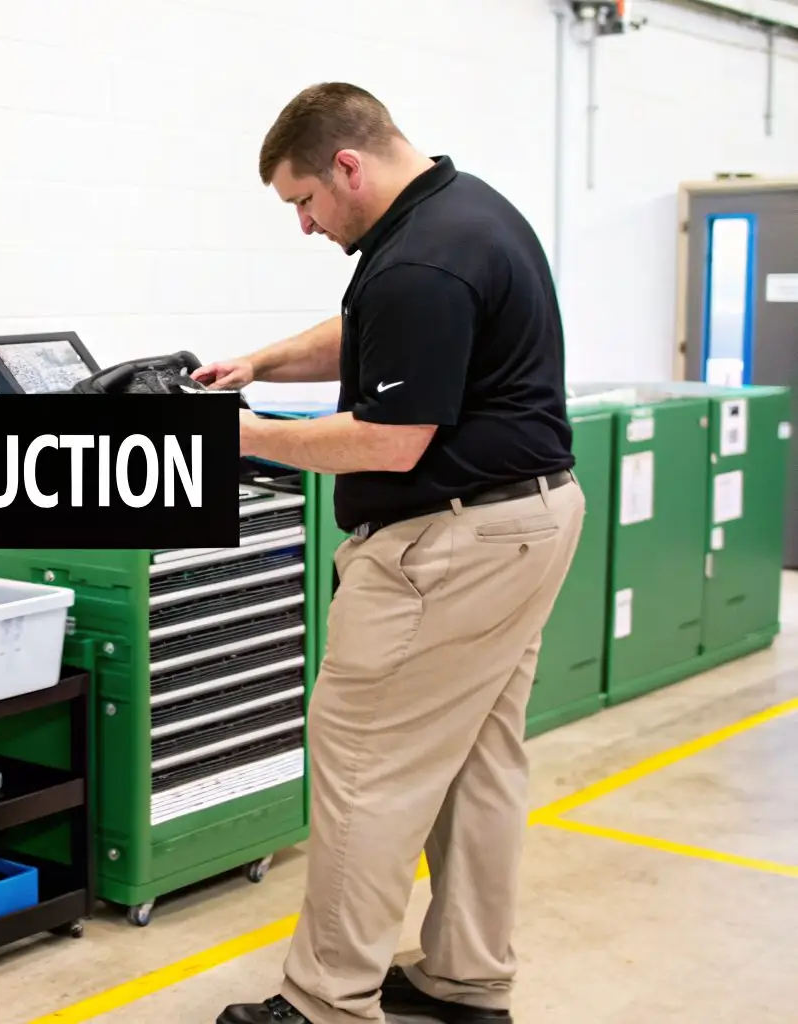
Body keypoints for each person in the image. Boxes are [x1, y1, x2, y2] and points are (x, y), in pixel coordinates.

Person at [197, 83, 586, 1024]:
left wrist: (238, 435)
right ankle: (465, 976)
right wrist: (260, 364)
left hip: (452, 545)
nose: (304, 224)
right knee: (480, 761)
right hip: (529, 521)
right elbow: (376, 334)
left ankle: (326, 1001)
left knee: (367, 764)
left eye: (304, 202)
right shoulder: (462, 211)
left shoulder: (423, 257)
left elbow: (389, 438)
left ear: (347, 166)